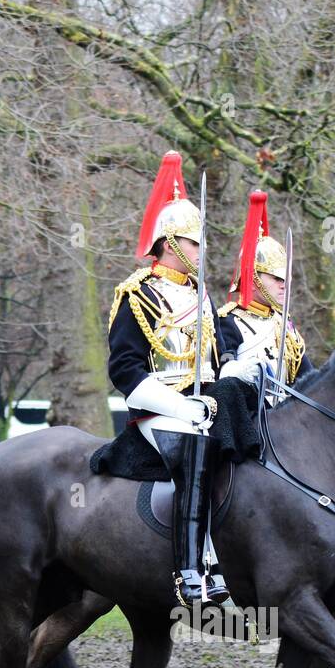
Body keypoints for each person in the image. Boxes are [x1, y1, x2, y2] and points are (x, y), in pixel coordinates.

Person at [107, 151, 235, 605]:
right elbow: (124, 369)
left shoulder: (202, 297)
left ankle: (228, 554)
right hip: (158, 408)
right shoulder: (137, 294)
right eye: (195, 243)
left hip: (204, 403)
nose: (203, 252)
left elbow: (221, 357)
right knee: (196, 450)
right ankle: (191, 569)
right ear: (171, 243)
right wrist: (181, 406)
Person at [217, 190, 312, 396]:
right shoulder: (228, 322)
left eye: (285, 279)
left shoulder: (284, 324)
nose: (283, 285)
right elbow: (222, 377)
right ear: (252, 279)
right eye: (276, 278)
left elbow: (306, 376)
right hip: (247, 417)